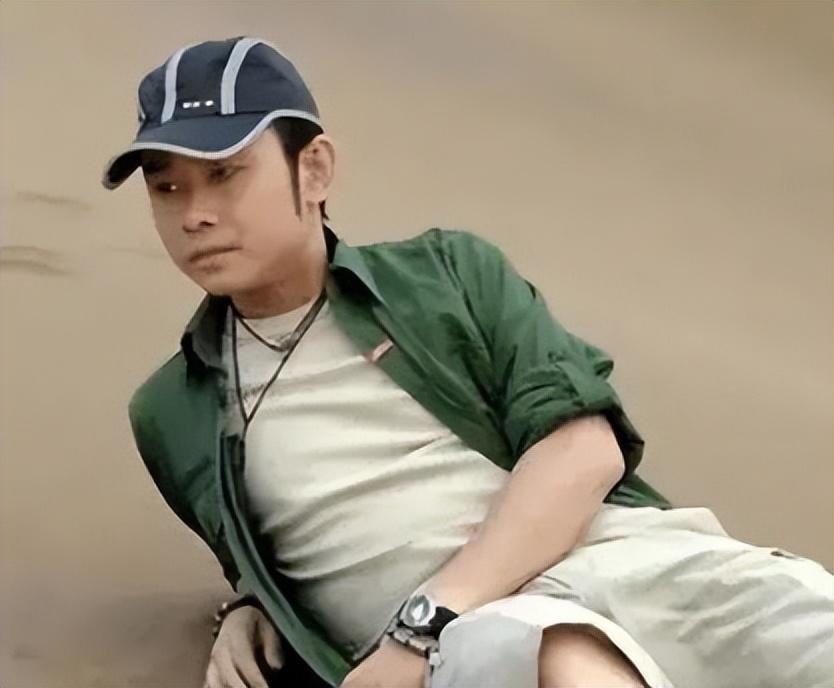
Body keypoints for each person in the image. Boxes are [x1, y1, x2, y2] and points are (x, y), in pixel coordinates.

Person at [102, 36, 833, 688]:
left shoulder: (448, 274)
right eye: (167, 188)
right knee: (544, 652)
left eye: (226, 174)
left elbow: (583, 450)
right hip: (485, 641)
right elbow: (255, 554)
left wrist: (424, 620)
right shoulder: (174, 410)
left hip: (627, 562)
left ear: (314, 169)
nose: (194, 214)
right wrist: (252, 607)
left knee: (805, 622)